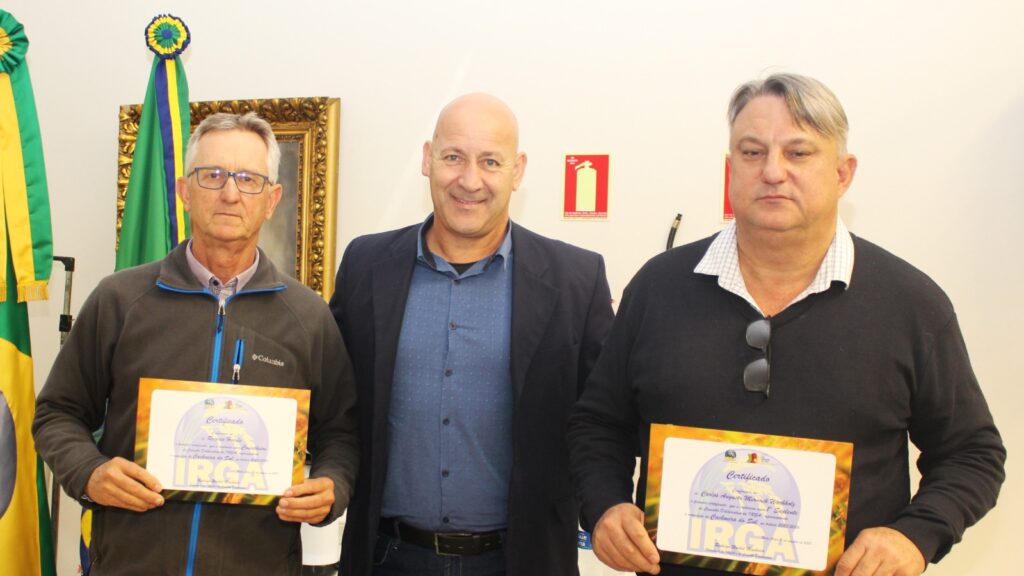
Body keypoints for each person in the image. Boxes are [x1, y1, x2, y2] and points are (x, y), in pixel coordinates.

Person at [568, 73, 1006, 576]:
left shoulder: (911, 304)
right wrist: (604, 505)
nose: (773, 171)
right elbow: (598, 423)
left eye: (798, 153)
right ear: (730, 170)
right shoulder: (657, 288)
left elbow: (972, 453)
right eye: (752, 153)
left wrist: (915, 535)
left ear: (843, 173)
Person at [33, 112, 359, 575]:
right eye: (213, 176)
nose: (230, 193)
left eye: (248, 179)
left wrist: (332, 486)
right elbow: (56, 412)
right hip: (130, 563)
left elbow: (341, 435)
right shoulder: (120, 299)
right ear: (185, 191)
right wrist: (89, 472)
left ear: (272, 199)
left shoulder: (308, 317)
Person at [329, 93, 614, 576]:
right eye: (454, 157)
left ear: (517, 170)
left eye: (490, 161)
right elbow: (336, 405)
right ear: (427, 158)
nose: (469, 180)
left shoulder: (576, 280)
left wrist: (609, 508)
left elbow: (601, 424)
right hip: (386, 558)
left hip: (520, 561)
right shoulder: (364, 266)